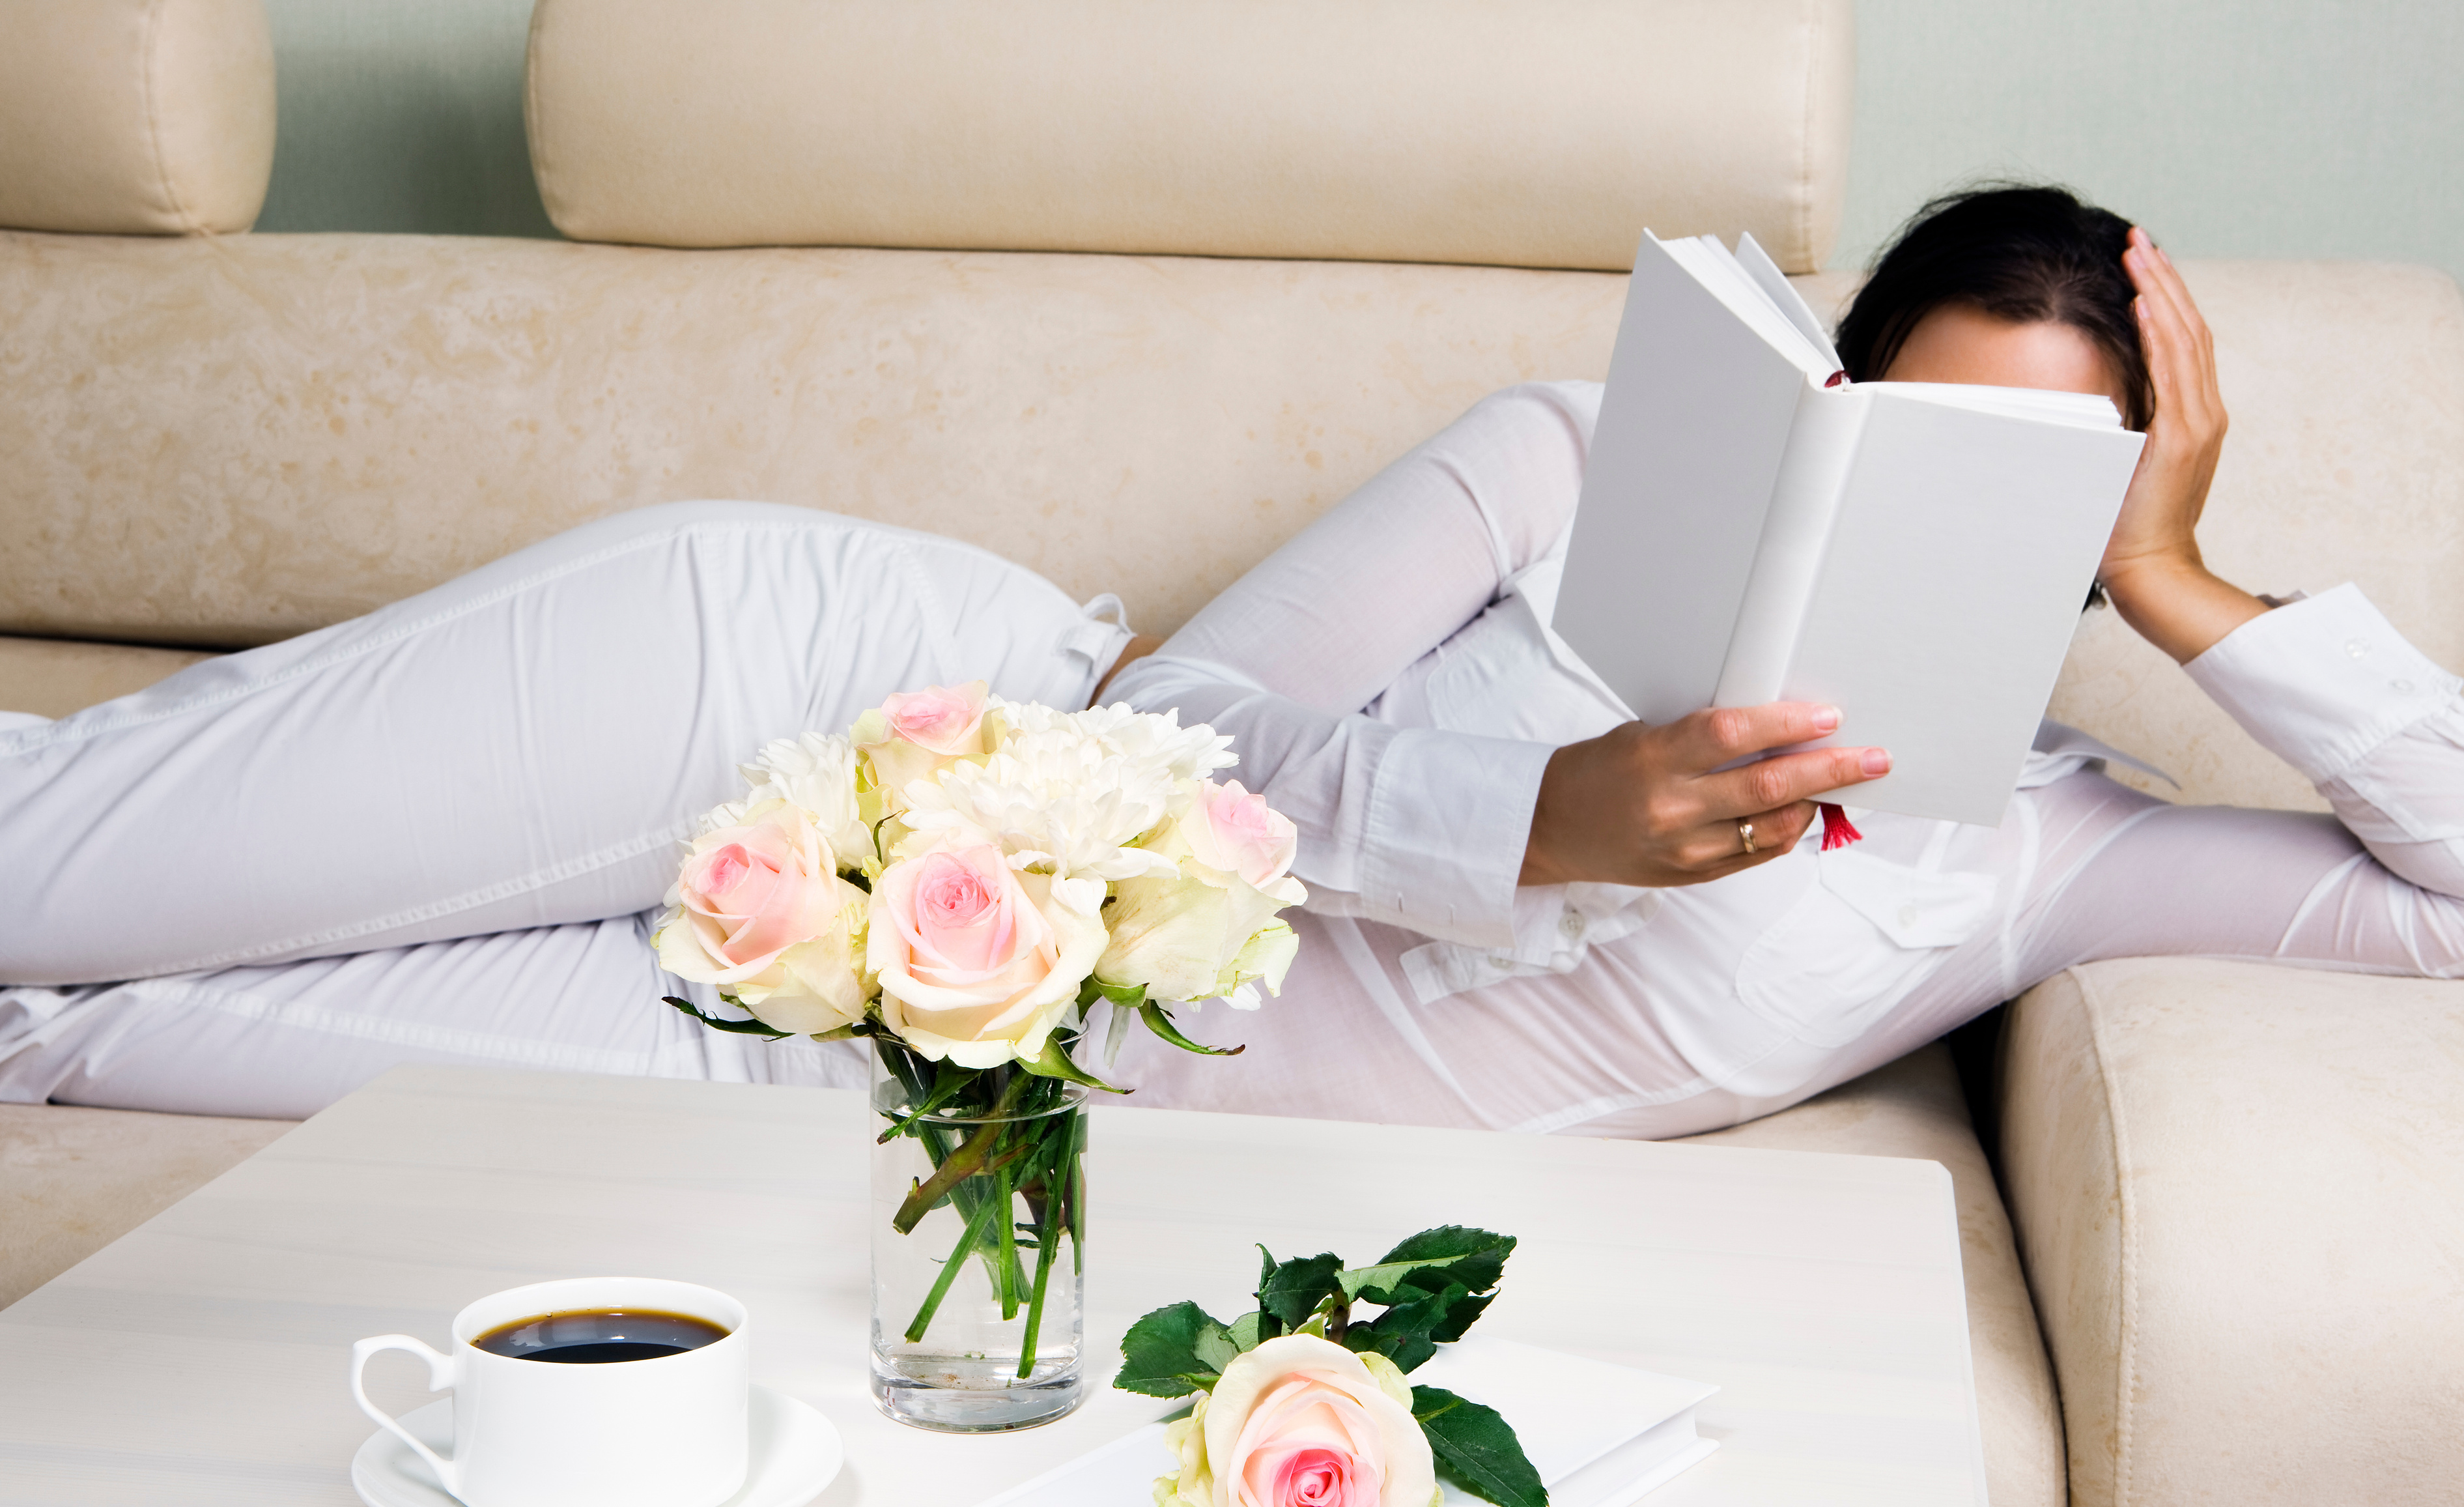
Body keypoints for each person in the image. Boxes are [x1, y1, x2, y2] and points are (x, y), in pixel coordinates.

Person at [3, 188, 2457, 1129]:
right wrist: (1541, 824)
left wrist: (2193, 593)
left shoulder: (2031, 859)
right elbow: (1166, 741)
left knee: (77, 1043)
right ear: (1821, 405)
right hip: (850, 701)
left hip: (945, 1057)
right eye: (1910, 432)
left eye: (2047, 493)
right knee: (44, 877)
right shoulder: (1581, 456)